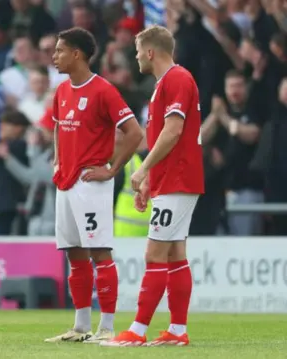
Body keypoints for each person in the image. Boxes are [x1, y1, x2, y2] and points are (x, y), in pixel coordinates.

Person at [101, 25, 204, 347]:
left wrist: (143, 169)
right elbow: (167, 134)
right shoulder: (166, 83)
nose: (135, 58)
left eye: (136, 52)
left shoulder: (176, 79)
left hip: (179, 179)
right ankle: (177, 331)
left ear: (149, 52)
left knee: (155, 253)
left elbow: (173, 131)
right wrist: (150, 179)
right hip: (173, 179)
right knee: (174, 254)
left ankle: (137, 330)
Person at [43, 27, 143, 344]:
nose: (54, 56)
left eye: (59, 50)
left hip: (91, 182)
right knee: (74, 254)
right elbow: (58, 128)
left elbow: (135, 133)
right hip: (66, 181)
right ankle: (81, 325)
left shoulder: (103, 91)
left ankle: (107, 326)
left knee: (100, 252)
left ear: (77, 54)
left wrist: (112, 169)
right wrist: (57, 159)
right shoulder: (61, 91)